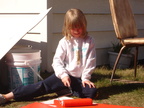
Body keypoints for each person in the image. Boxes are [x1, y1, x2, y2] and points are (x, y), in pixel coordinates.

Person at [0, 8, 97, 104]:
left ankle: (66, 91)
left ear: (84, 24)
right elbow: (57, 61)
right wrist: (63, 75)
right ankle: (7, 96)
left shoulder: (89, 41)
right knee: (41, 86)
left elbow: (90, 61)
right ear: (67, 27)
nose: (76, 30)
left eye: (79, 26)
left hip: (79, 80)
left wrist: (86, 78)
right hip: (63, 77)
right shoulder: (64, 42)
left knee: (92, 92)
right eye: (73, 27)